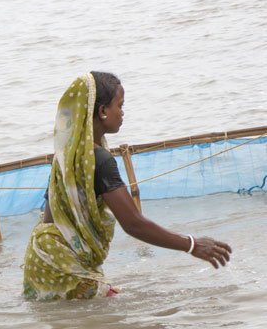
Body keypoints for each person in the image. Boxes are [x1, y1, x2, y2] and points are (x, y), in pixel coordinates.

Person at [22, 72, 232, 300]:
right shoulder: (99, 160)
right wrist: (192, 245)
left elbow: (50, 216)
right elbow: (133, 224)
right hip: (62, 263)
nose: (122, 113)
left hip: (41, 258)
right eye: (119, 106)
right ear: (102, 111)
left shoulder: (66, 155)